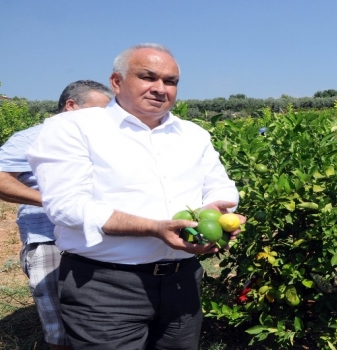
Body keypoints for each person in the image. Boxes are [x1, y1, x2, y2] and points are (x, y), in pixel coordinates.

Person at [25, 43, 244, 349]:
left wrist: (218, 216)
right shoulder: (73, 128)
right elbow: (66, 206)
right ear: (117, 81)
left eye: (170, 81)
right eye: (148, 77)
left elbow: (221, 187)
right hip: (105, 286)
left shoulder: (193, 135)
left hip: (183, 282)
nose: (160, 88)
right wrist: (153, 228)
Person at [0, 80, 113, 350]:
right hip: (48, 238)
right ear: (71, 106)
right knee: (58, 327)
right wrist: (53, 202)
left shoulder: (97, 141)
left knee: (95, 320)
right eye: (98, 111)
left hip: (94, 239)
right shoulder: (32, 138)